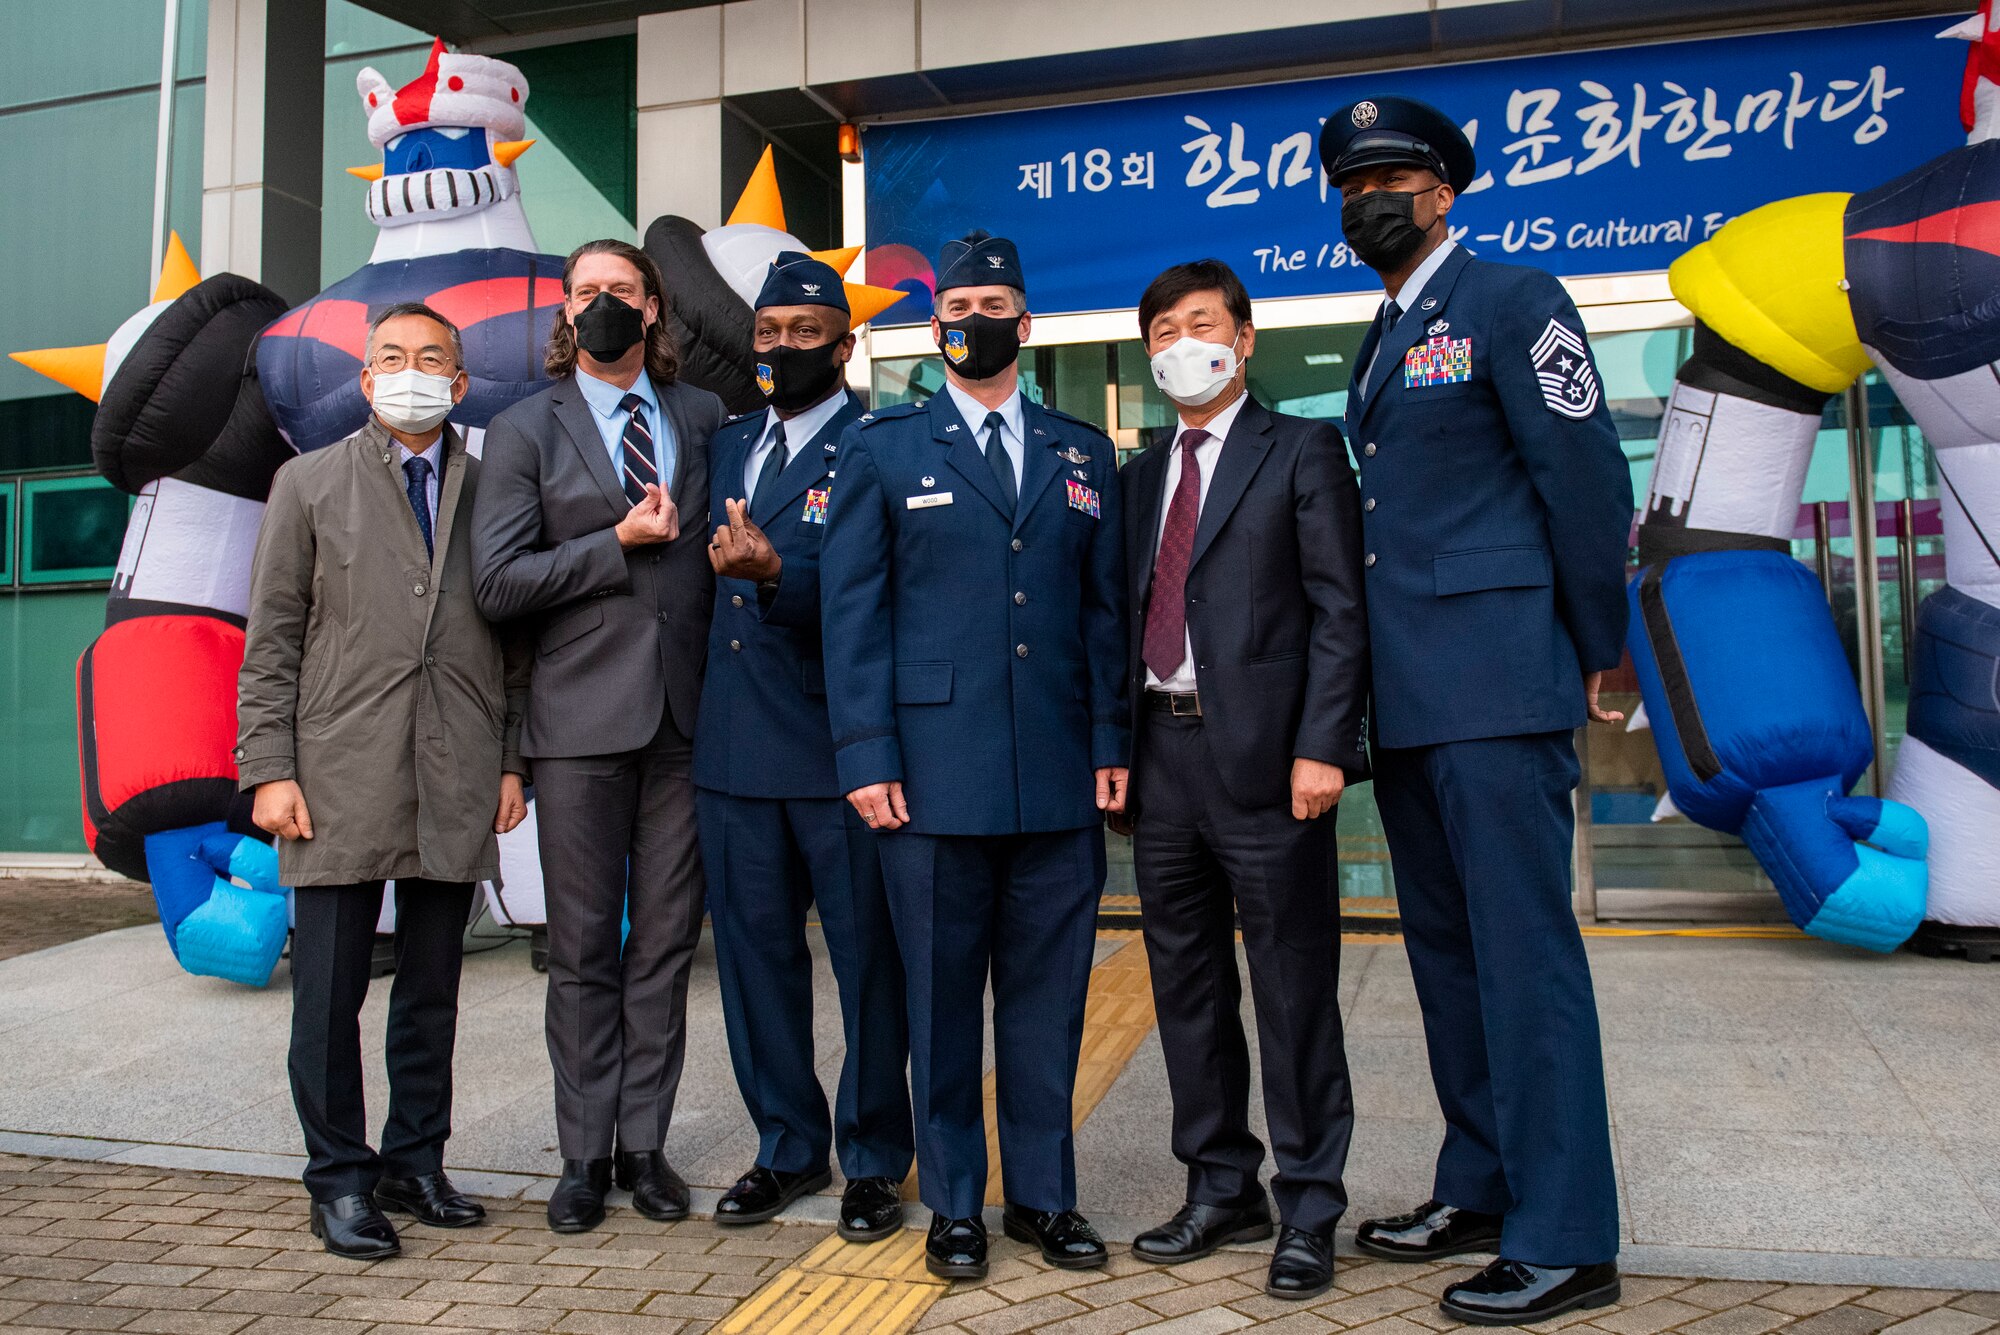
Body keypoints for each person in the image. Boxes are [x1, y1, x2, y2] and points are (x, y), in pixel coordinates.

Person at [1319, 96, 1634, 1325]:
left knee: (1522, 960)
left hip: (1498, 682)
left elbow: (1582, 475)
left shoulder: (1513, 299)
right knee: (1448, 962)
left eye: (1389, 179)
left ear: (1443, 191)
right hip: (1410, 697)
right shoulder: (1383, 329)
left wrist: (1596, 646)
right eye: (1350, 186)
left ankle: (1568, 1237)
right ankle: (1484, 1185)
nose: (1367, 201)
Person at [819, 232, 1129, 1281]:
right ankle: (955, 1202)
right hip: (928, 780)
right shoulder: (883, 446)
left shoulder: (1081, 452)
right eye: (955, 304)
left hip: (1054, 777)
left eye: (993, 301)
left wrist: (1109, 743)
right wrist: (864, 753)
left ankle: (1042, 1196)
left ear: (1024, 325)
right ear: (933, 321)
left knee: (1047, 1007)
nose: (972, 319)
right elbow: (849, 613)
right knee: (942, 1004)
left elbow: (1102, 618)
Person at [236, 301, 529, 1260]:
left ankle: (415, 1161)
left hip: (456, 764)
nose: (411, 372)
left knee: (433, 988)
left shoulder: (493, 487)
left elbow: (518, 642)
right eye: (391, 358)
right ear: (366, 381)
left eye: (431, 359)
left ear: (460, 383)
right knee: (327, 993)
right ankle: (339, 1180)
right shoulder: (307, 483)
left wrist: (511, 758)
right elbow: (272, 639)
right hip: (335, 770)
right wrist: (269, 770)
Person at [1118, 260, 1369, 1300]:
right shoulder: (1139, 476)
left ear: (1244, 338)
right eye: (1166, 328)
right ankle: (1219, 1182)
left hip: (1270, 762)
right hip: (1160, 757)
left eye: (1203, 323)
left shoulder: (1302, 450)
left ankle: (1308, 1202)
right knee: (1183, 985)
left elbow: (1338, 612)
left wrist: (1323, 746)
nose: (1185, 342)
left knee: (1291, 984)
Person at [471, 239, 723, 1235]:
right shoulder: (522, 427)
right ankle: (581, 1156)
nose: (606, 304)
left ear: (654, 310)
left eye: (624, 290)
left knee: (662, 947)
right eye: (587, 292)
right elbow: (496, 584)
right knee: (581, 951)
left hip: (688, 720)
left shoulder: (702, 416)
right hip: (575, 722)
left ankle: (643, 1146)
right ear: (565, 313)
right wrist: (612, 545)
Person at [695, 253, 915, 1239]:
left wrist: (781, 571)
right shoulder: (726, 441)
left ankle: (871, 1158)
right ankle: (785, 1146)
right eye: (769, 330)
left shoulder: (885, 443)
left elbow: (897, 598)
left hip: (840, 752)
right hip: (734, 754)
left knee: (869, 963)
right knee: (754, 962)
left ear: (845, 343)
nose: (782, 347)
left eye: (804, 332)